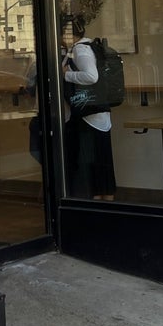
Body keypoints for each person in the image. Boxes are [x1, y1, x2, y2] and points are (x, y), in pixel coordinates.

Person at [61, 14, 115, 201]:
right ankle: (105, 205)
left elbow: (91, 76)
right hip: (97, 112)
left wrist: (66, 75)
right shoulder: (92, 46)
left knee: (89, 165)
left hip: (87, 115)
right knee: (102, 164)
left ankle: (94, 206)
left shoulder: (80, 50)